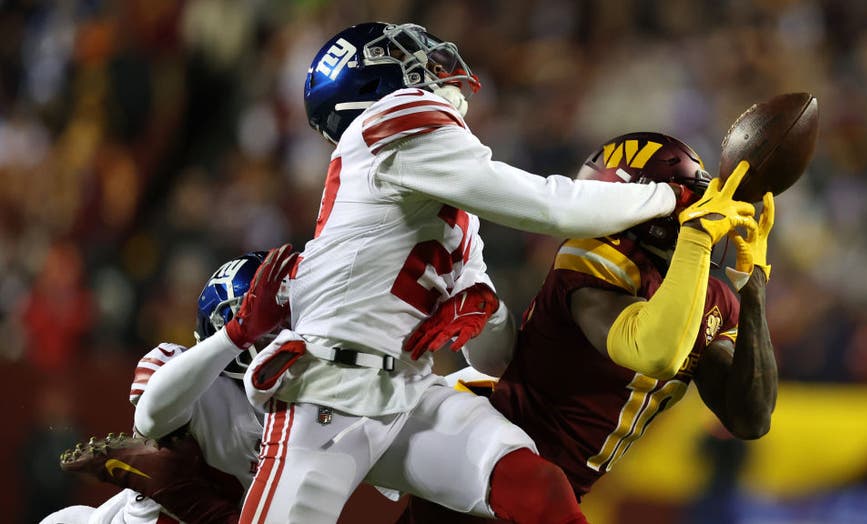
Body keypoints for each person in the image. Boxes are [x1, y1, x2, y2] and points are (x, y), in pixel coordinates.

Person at [237, 21, 711, 524]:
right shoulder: (395, 120)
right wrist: (672, 195)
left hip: (407, 392)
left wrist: (483, 309)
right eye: (397, 52)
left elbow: (495, 358)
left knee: (537, 486)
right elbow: (551, 208)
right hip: (328, 391)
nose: (425, 58)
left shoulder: (449, 198)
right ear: (367, 83)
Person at [397, 132, 779, 522]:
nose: (696, 207)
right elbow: (652, 349)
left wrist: (754, 289)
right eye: (684, 196)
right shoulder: (590, 256)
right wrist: (696, 241)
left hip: (544, 499)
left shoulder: (712, 297)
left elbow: (750, 417)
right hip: (483, 484)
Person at [43, 246, 296, 524]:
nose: (279, 335)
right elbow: (151, 416)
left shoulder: (308, 408)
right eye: (266, 322)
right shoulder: (183, 370)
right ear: (220, 323)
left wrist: (188, 499)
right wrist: (237, 336)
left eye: (287, 320)